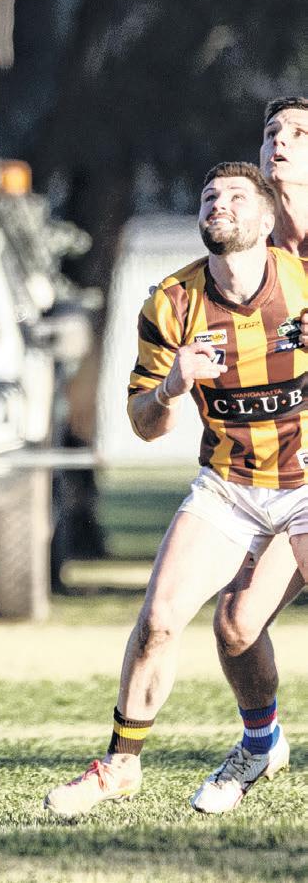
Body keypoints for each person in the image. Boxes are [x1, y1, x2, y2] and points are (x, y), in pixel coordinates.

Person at [43, 161, 308, 819]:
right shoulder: (172, 303)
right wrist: (170, 388)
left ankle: (257, 744)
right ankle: (121, 766)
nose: (219, 204)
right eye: (209, 196)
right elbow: (144, 424)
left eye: (237, 196)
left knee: (238, 624)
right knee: (161, 621)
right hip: (230, 487)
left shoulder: (302, 282)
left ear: (268, 220)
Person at [191, 97, 308, 811]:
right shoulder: (250, 253)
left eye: (298, 133)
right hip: (274, 476)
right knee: (235, 624)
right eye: (271, 133)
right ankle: (261, 743)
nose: (279, 143)